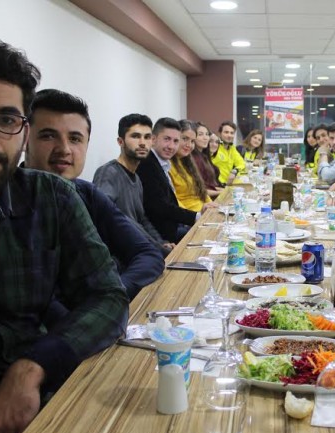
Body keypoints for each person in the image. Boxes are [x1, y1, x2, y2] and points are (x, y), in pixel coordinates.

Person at [0, 38, 127, 433]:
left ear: (22, 131)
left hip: (46, 407)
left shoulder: (51, 197)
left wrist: (32, 367)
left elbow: (107, 297)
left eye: (6, 119)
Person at [25, 89, 165, 300]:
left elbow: (148, 254)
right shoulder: (5, 202)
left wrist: (112, 297)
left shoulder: (87, 193)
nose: (64, 149)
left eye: (75, 138)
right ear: (24, 139)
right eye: (48, 136)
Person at [93, 113, 174, 257]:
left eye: (147, 137)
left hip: (142, 250)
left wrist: (161, 242)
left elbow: (142, 220)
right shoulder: (108, 173)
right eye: (135, 136)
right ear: (120, 141)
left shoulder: (136, 178)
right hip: (121, 255)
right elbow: (112, 219)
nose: (142, 143)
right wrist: (158, 249)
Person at [137, 117, 218, 243]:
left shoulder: (164, 162)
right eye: (167, 139)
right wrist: (196, 216)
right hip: (165, 235)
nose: (171, 146)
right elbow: (160, 207)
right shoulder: (147, 164)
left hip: (176, 225)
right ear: (153, 139)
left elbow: (200, 192)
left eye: (175, 141)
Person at [170, 119, 212, 212]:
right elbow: (174, 201)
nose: (189, 145)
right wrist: (196, 215)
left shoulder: (188, 162)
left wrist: (212, 206)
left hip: (202, 212)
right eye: (185, 139)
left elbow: (202, 193)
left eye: (192, 141)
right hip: (189, 215)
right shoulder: (167, 165)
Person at [191, 122, 223, 198]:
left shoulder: (204, 156)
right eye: (200, 134)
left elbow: (210, 186)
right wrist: (221, 192)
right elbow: (198, 190)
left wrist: (225, 190)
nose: (205, 138)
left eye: (207, 134)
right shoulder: (193, 159)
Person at [212, 120, 246, 184]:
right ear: (219, 134)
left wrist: (234, 171)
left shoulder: (232, 148)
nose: (229, 135)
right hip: (216, 185)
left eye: (232, 133)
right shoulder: (214, 147)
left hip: (228, 184)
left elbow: (242, 163)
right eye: (226, 132)